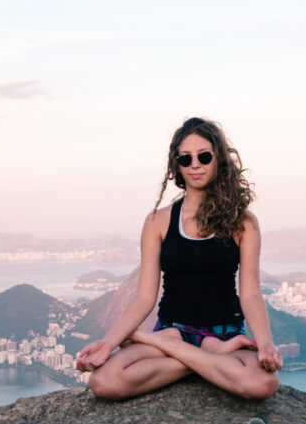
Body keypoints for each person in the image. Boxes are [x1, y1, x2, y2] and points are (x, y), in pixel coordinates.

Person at [76, 117, 282, 400]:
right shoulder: (157, 222)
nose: (195, 165)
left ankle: (190, 348)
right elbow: (144, 297)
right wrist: (108, 342)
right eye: (185, 159)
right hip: (171, 333)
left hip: (224, 335)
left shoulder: (243, 223)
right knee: (104, 382)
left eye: (204, 156)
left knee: (263, 384)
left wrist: (266, 344)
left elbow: (250, 295)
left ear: (219, 160)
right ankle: (206, 358)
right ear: (176, 164)